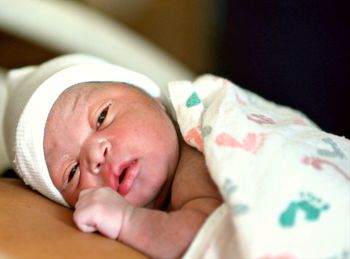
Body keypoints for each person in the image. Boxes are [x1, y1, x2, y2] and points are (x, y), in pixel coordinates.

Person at [2, 54, 222, 259]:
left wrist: (128, 221)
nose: (96, 155)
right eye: (72, 172)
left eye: (102, 117)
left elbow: (210, 238)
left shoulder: (196, 153)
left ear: (153, 98)